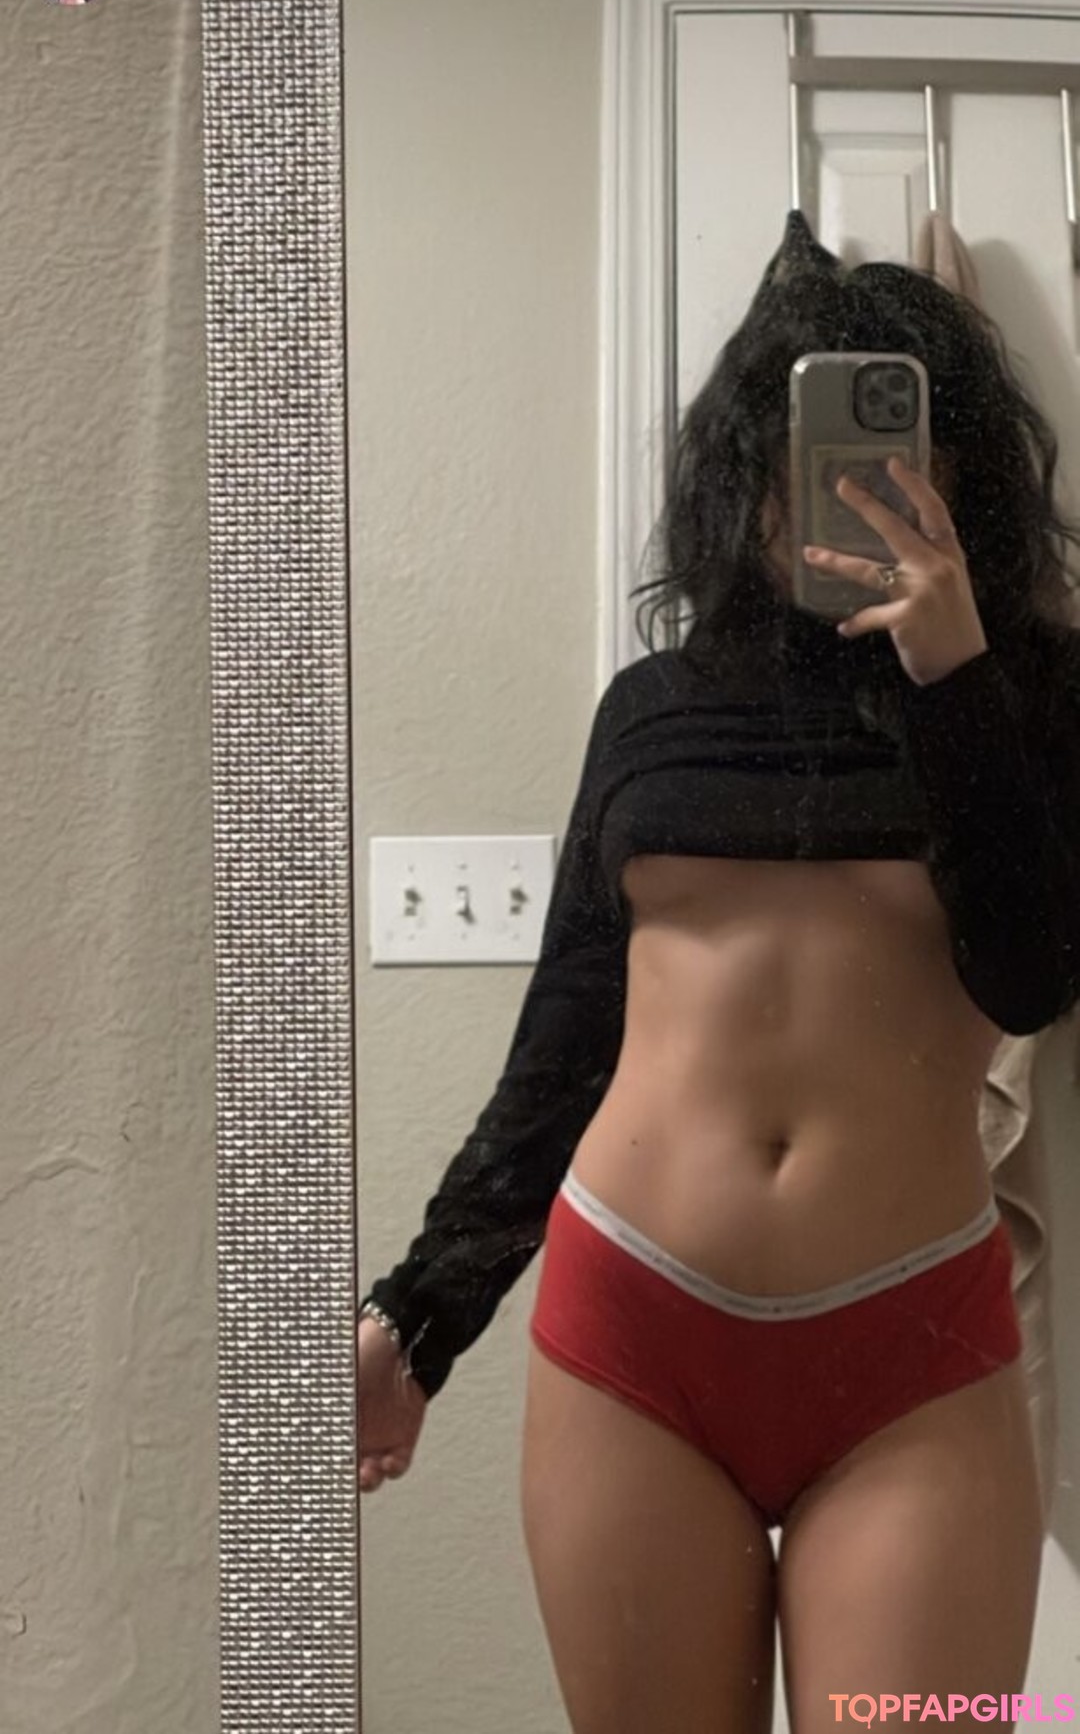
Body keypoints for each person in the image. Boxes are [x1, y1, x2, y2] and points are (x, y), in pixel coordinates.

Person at [356, 209, 1080, 1733]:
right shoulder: (653, 709)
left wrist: (952, 676)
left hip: (919, 1349)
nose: (837, 492)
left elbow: (1031, 974)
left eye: (896, 453)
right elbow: (563, 1043)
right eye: (795, 455)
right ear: (741, 473)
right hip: (636, 1325)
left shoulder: (1036, 697)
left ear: (964, 475)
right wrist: (417, 1318)